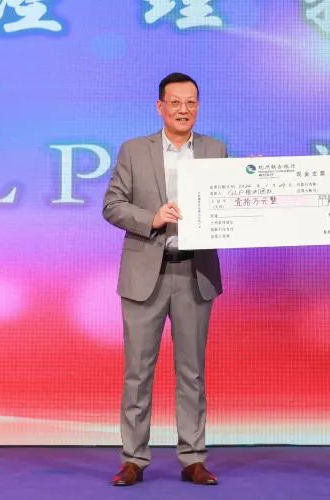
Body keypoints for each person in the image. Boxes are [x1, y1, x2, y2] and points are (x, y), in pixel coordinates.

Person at [102, 72, 227, 486]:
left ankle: (193, 457)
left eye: (191, 102)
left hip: (195, 272)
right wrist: (151, 218)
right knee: (138, 371)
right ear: (160, 107)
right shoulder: (134, 150)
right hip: (145, 273)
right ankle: (133, 458)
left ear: (198, 106)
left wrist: (254, 182)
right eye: (175, 102)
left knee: (192, 371)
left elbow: (229, 203)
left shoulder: (215, 150)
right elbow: (112, 205)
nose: (183, 110)